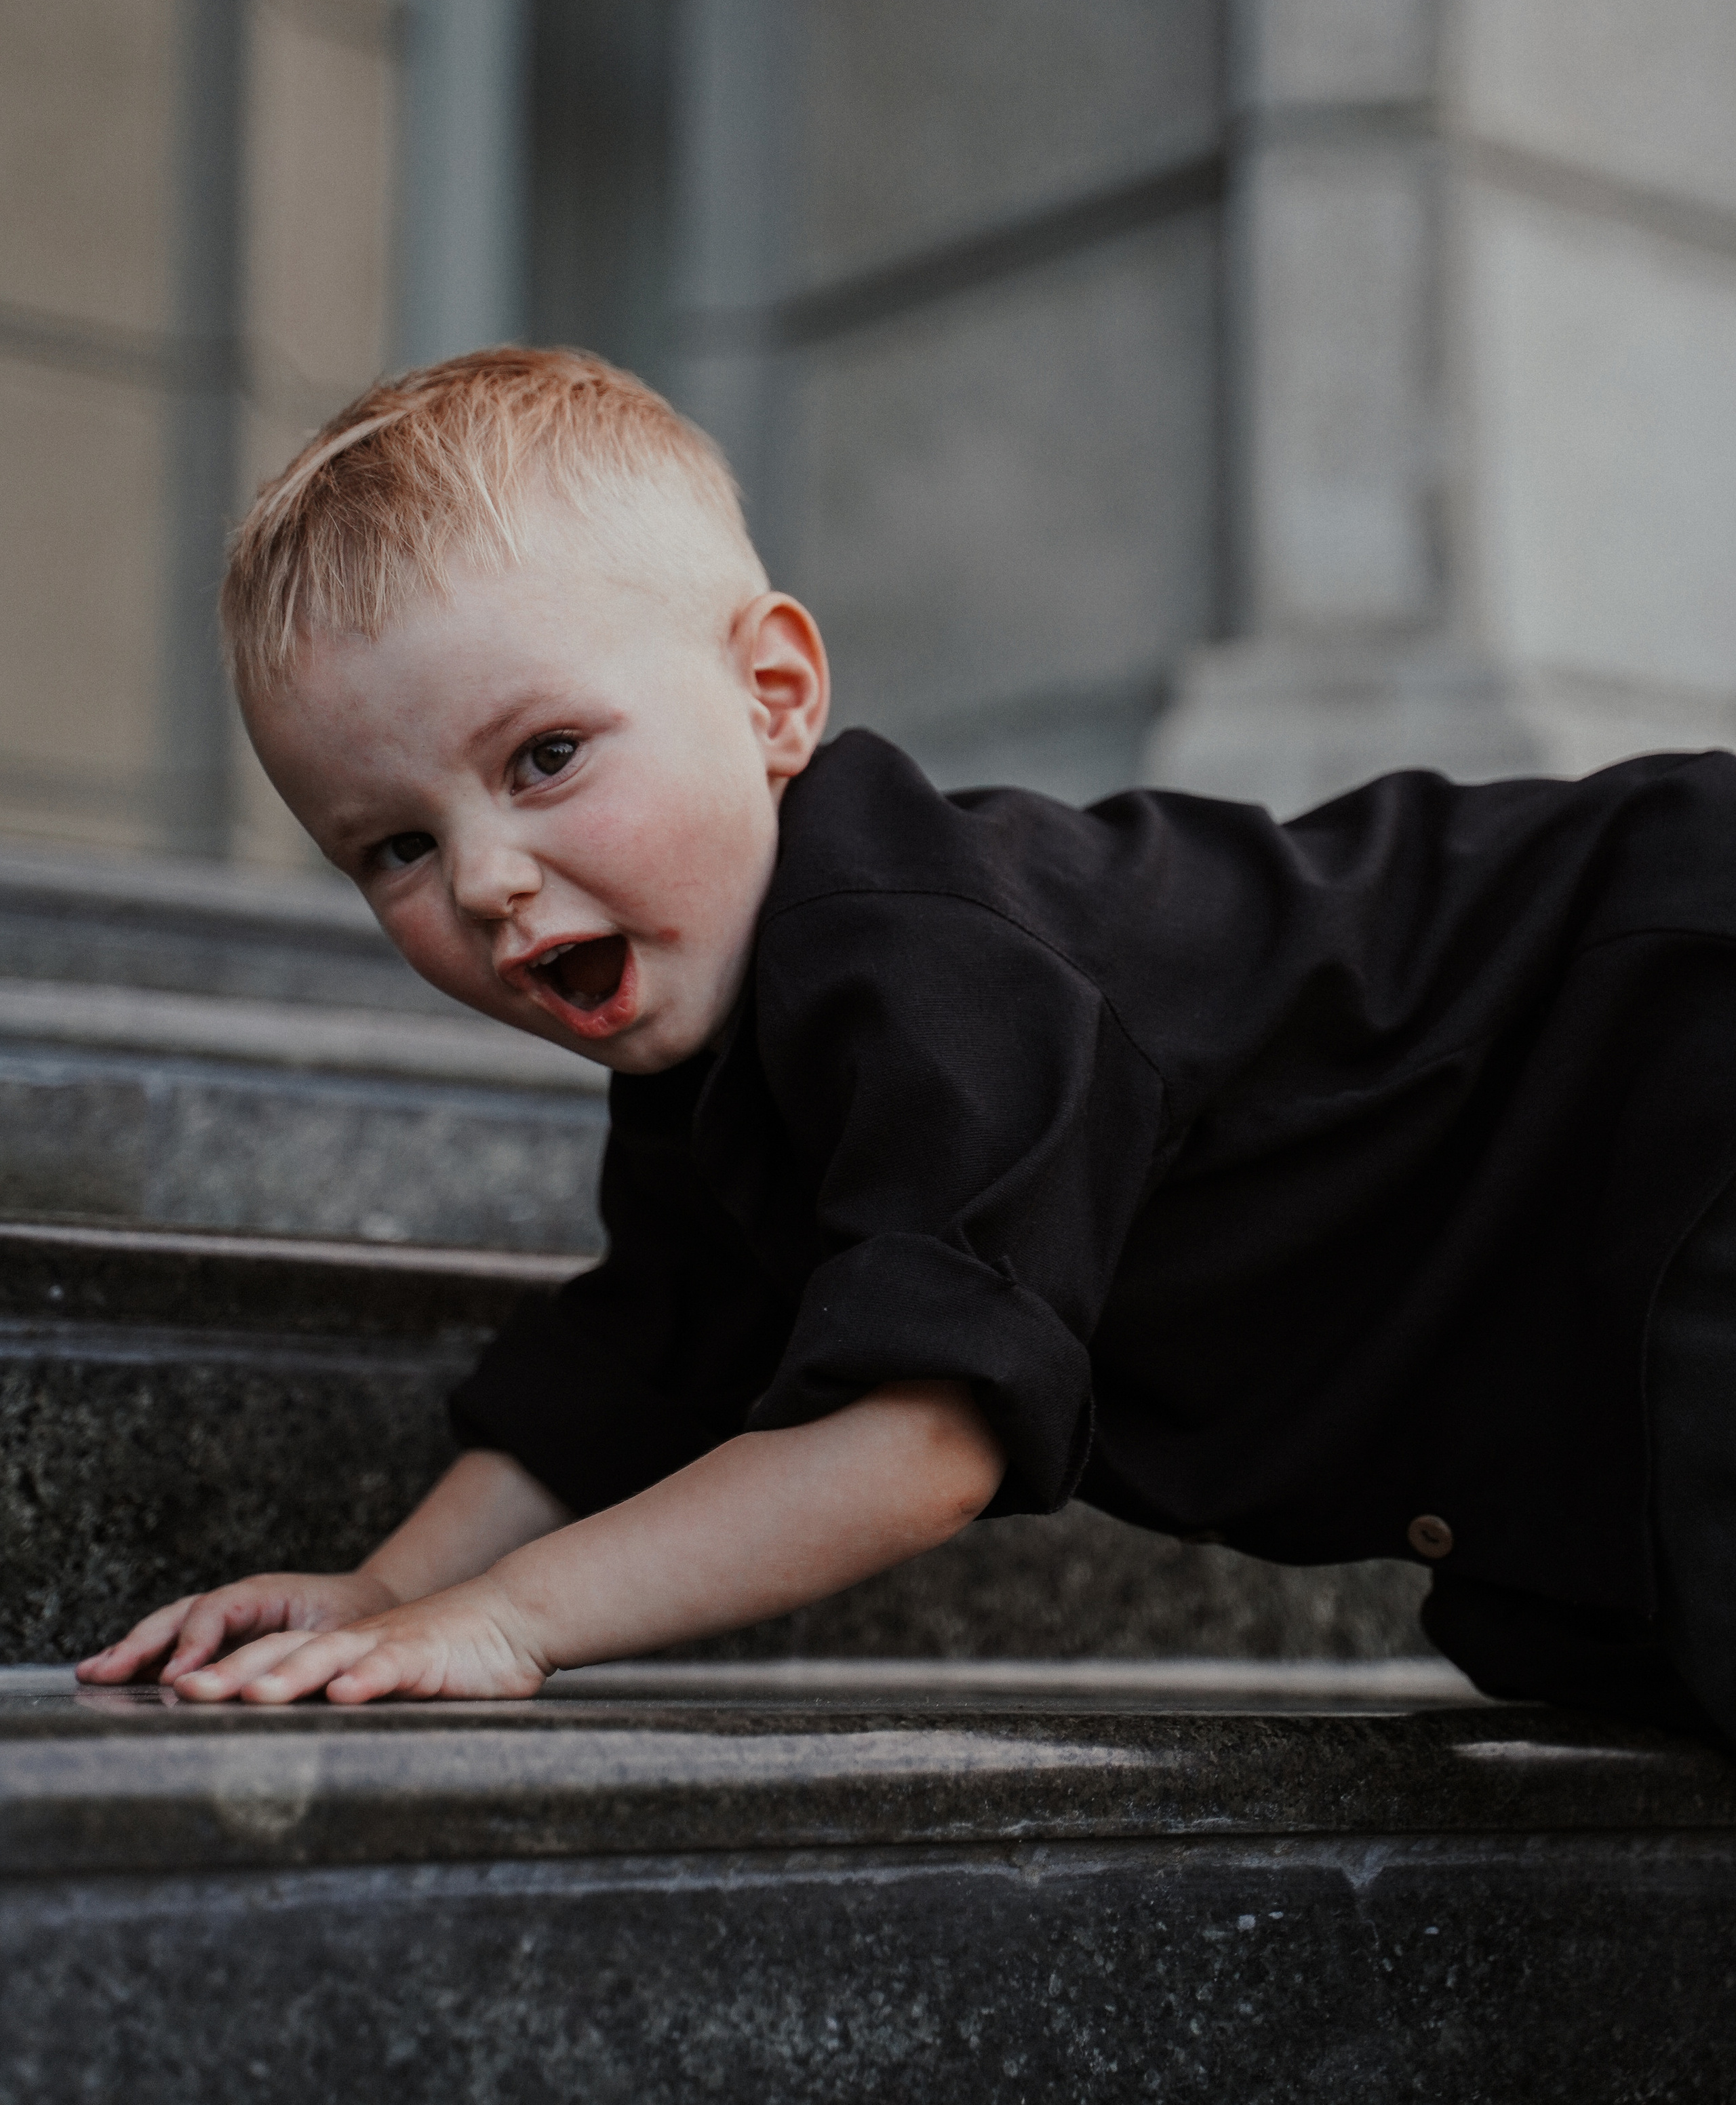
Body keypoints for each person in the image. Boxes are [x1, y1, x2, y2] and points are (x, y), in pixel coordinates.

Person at [79, 348, 1736, 1744]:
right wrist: (392, 1593)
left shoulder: (925, 957)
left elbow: (918, 1438)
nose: (487, 879)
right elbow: (639, 1369)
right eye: (392, 849)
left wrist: (514, 1622)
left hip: (1671, 1048)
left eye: (546, 757)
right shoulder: (714, 1061)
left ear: (774, 696)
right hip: (1567, 1293)